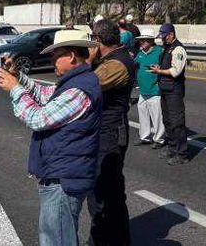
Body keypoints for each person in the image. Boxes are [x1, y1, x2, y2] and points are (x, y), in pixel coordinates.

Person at [0, 28, 102, 246]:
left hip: (64, 179)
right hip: (61, 174)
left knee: (57, 240)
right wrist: (18, 77)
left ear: (71, 56)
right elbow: (45, 95)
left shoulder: (79, 90)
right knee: (55, 236)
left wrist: (15, 89)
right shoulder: (75, 82)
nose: (52, 60)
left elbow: (38, 118)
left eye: (56, 55)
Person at [87, 18, 135, 245]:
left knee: (105, 193)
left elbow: (88, 85)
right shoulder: (109, 60)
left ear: (98, 39)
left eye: (92, 40)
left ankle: (106, 240)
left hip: (110, 133)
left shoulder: (117, 64)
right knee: (108, 193)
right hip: (104, 130)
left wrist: (87, 62)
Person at [151, 23, 188, 165]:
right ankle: (172, 149)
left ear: (171, 34)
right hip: (165, 89)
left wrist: (159, 71)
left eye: (164, 36)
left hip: (174, 90)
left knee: (177, 122)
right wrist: (159, 68)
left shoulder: (178, 49)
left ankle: (182, 154)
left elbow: (176, 71)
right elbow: (167, 66)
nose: (162, 39)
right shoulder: (166, 48)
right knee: (167, 121)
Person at [133, 31, 164, 147]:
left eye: (144, 40)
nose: (141, 42)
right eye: (141, 40)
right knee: (143, 115)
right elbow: (135, 64)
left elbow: (165, 67)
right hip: (143, 90)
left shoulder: (159, 52)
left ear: (151, 40)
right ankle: (145, 137)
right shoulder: (140, 53)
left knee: (157, 117)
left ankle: (159, 139)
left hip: (155, 90)